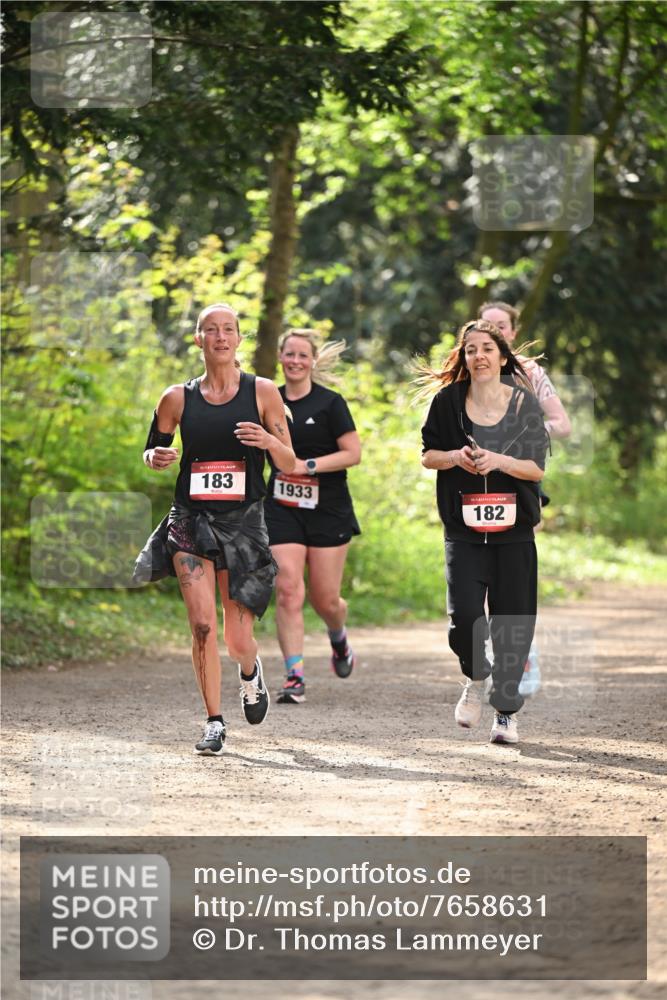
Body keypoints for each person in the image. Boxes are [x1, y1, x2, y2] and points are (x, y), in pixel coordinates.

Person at [133, 303, 295, 755]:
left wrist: (268, 440)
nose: (220, 337)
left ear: (239, 339)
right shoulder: (176, 398)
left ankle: (250, 671)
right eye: (211, 330)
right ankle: (214, 722)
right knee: (202, 626)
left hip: (243, 523)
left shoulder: (263, 392)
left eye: (228, 329)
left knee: (237, 639)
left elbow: (289, 461)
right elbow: (152, 448)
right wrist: (155, 457)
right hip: (190, 520)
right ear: (198, 339)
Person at [420, 319, 549, 745]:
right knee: (464, 618)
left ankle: (506, 713)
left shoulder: (524, 404)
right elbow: (428, 456)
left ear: (502, 356)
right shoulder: (447, 402)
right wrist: (455, 457)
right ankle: (476, 676)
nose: (479, 356)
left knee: (512, 624)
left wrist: (498, 461)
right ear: (464, 357)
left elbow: (535, 469)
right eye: (471, 349)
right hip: (464, 530)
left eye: (487, 348)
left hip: (514, 532)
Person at [263, 329, 361, 704]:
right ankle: (294, 676)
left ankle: (338, 636)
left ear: (313, 361)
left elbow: (353, 453)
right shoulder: (267, 400)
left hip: (328, 509)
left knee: (325, 600)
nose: (295, 361)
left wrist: (309, 466)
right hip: (282, 507)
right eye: (289, 354)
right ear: (280, 356)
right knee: (288, 589)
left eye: (303, 355)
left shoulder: (330, 403)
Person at [478, 301, 571, 696]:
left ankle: (523, 654)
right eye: (486, 325)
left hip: (519, 478)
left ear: (513, 332)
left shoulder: (530, 372)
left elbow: (562, 424)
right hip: (476, 482)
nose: (494, 331)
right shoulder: (468, 370)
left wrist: (523, 429)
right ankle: (495, 652)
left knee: (513, 575)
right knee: (478, 572)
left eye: (501, 326)